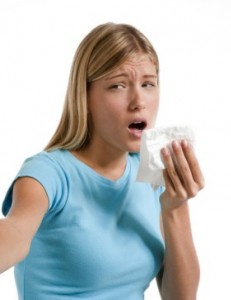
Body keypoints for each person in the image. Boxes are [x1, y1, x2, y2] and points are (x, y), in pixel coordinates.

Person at [0, 23, 205, 300]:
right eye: (118, 86)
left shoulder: (150, 175)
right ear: (84, 97)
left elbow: (180, 297)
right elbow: (14, 233)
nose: (138, 101)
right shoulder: (47, 174)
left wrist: (175, 207)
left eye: (148, 84)